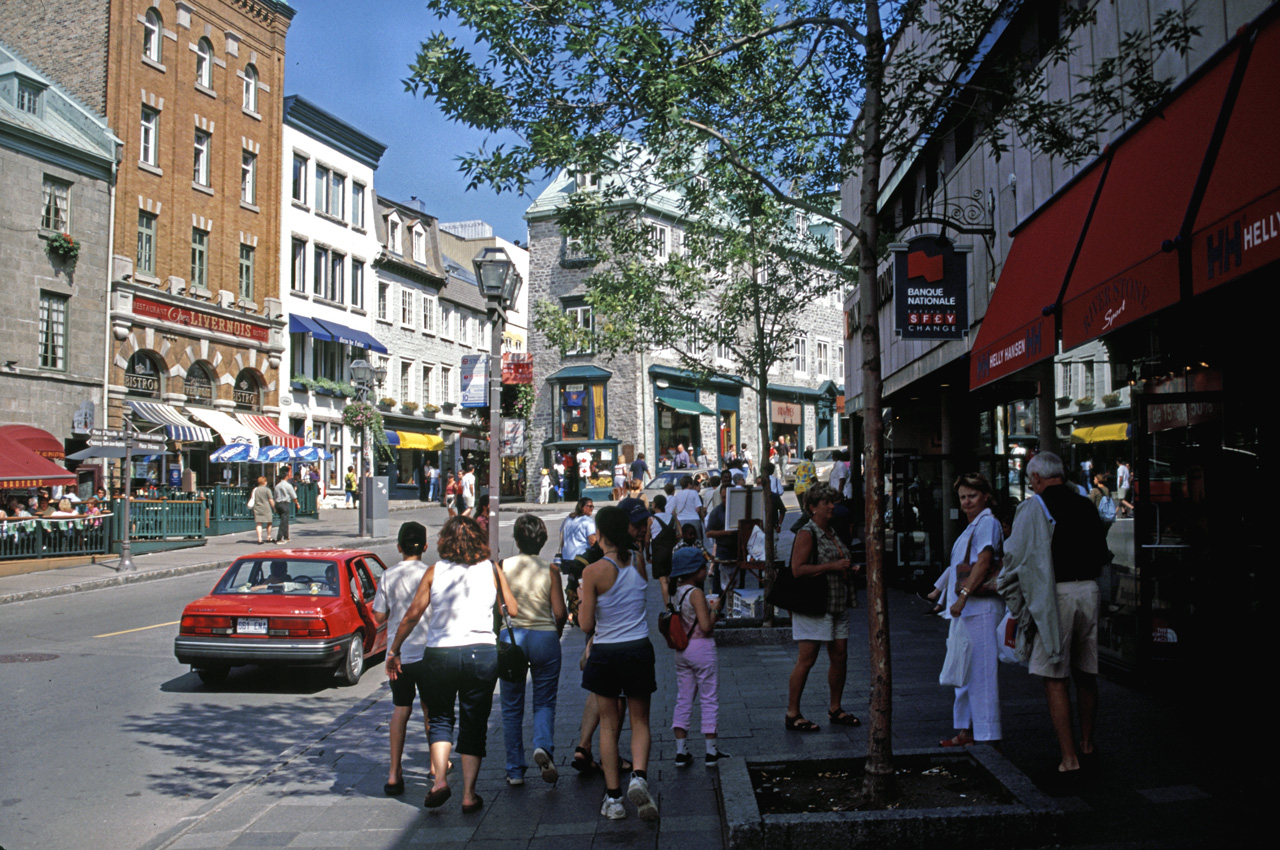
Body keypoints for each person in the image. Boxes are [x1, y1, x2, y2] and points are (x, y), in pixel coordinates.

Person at [387, 516, 516, 814]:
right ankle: (469, 795)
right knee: (474, 723)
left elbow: (411, 615)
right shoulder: (491, 569)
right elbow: (514, 609)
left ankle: (440, 781)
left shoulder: (435, 571)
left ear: (444, 541)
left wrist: (394, 649)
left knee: (442, 718)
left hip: (440, 654)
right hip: (481, 653)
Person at [1001, 451, 1110, 781]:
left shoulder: (1033, 507)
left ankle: (1068, 758)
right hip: (1089, 591)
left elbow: (1015, 557)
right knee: (1086, 672)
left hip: (1056, 595)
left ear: (1035, 478)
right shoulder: (1085, 504)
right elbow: (1102, 552)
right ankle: (1087, 744)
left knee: (1055, 675)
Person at [579, 506, 659, 822]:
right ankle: (638, 776)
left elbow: (586, 623)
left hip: (606, 651)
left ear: (602, 534)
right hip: (638, 647)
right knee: (641, 720)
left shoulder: (594, 571)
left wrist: (585, 601)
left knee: (609, 725)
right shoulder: (639, 561)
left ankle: (613, 798)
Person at [499, 515, 568, 786]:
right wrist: (557, 633)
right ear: (542, 540)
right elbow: (560, 612)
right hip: (545, 638)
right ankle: (542, 745)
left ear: (516, 539)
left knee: (511, 707)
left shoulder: (502, 567)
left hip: (511, 638)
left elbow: (497, 608)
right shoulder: (550, 570)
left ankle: (515, 769)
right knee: (544, 701)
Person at [785, 483, 859, 732]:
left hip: (837, 602)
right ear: (812, 508)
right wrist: (833, 567)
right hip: (814, 604)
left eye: (832, 501)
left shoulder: (832, 531)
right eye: (826, 503)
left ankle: (835, 708)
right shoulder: (807, 533)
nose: (831, 506)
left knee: (840, 655)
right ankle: (792, 712)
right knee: (807, 659)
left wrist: (848, 568)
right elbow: (797, 570)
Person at [940, 472, 1005, 749]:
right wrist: (938, 593)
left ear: (986, 496)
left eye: (972, 496)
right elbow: (958, 566)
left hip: (980, 609)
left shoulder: (987, 523)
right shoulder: (972, 527)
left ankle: (987, 734)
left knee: (981, 673)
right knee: (965, 671)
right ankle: (966, 731)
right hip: (967, 611)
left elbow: (984, 560)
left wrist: (963, 596)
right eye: (963, 497)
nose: (967, 502)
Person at [371, 521, 432, 796]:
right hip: (429, 652)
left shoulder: (388, 575)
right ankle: (435, 764)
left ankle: (394, 773)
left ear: (398, 547)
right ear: (426, 546)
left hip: (400, 654)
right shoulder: (432, 574)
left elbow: (380, 616)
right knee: (432, 709)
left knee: (401, 709)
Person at [667, 547, 729, 767]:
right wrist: (716, 610)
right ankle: (711, 751)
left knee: (683, 699)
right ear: (694, 570)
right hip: (702, 649)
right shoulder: (696, 594)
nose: (706, 569)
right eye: (702, 566)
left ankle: (681, 751)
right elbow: (705, 626)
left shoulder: (674, 593)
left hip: (681, 651)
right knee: (709, 698)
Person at [668, 474, 706, 549]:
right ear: (689, 484)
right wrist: (703, 520)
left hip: (681, 521)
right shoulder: (694, 493)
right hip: (694, 519)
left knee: (682, 541)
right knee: (697, 541)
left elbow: (674, 510)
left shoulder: (678, 495)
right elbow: (698, 508)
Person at [559, 497, 597, 563]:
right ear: (582, 507)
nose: (592, 508)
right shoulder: (588, 521)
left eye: (593, 506)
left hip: (566, 557)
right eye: (590, 506)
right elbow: (592, 541)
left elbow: (562, 536)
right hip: (581, 559)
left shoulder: (567, 519)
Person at [272, 468, 299, 543]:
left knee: (284, 519)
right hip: (285, 503)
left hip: (278, 503)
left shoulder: (277, 486)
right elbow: (294, 496)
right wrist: (297, 503)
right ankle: (279, 538)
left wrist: (274, 507)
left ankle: (286, 536)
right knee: (283, 521)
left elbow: (275, 496)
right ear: (286, 477)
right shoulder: (288, 485)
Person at [250, 476, 275, 544]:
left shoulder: (255, 490)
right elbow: (270, 500)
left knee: (259, 523)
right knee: (269, 522)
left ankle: (259, 539)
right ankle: (269, 537)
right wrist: (274, 508)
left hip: (257, 507)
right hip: (266, 507)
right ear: (265, 482)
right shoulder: (267, 490)